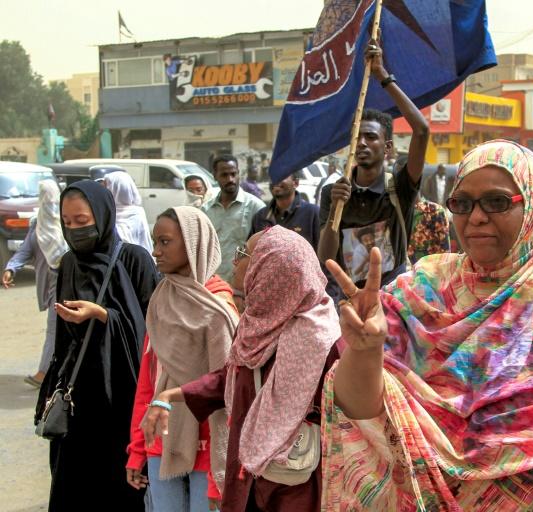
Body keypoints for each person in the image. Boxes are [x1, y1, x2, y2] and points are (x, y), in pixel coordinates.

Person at [322, 140, 533, 510]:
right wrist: (364, 351)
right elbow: (358, 412)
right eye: (462, 203)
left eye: (497, 202)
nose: (476, 217)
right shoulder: (420, 294)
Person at [142, 226, 341, 511]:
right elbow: (234, 377)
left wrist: (365, 352)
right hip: (248, 481)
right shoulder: (255, 326)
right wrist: (171, 395)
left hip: (295, 489)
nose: (235, 262)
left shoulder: (323, 340)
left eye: (243, 254)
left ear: (271, 268)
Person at [35, 181, 159, 511]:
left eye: (82, 220)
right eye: (67, 221)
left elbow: (154, 330)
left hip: (123, 398)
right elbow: (62, 338)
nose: (74, 229)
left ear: (102, 215)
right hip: (78, 397)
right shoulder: (69, 264)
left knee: (121, 489)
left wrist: (105, 316)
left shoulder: (135, 260)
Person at [126, 206, 238, 511]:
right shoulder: (161, 300)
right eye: (155, 242)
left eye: (165, 242)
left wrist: (220, 474)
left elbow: (225, 394)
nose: (155, 251)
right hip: (161, 440)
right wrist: (137, 449)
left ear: (193, 243)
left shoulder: (218, 308)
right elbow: (147, 384)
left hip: (208, 447)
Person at [317, 41, 429, 302]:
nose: (363, 143)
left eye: (371, 137)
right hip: (351, 300)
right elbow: (325, 257)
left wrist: (382, 76)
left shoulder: (399, 187)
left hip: (395, 302)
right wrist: (336, 207)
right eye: (358, 137)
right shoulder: (333, 193)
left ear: (387, 147)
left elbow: (422, 130)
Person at [2, 180, 68, 388]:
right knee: (54, 328)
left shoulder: (69, 221)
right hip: (52, 284)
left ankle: (46, 373)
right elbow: (24, 251)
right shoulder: (37, 224)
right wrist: (11, 268)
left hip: (73, 281)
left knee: (60, 328)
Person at [202, 155, 265, 283]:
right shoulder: (206, 210)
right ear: (215, 176)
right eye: (224, 175)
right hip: (214, 283)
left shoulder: (256, 207)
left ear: (238, 174)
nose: (230, 179)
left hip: (244, 284)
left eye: (233, 174)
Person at [249, 172, 320, 250]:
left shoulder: (312, 214)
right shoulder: (260, 216)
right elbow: (250, 252)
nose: (275, 181)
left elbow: (321, 253)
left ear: (296, 183)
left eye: (282, 176)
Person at [104, 171, 154, 253]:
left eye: (106, 186)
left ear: (117, 189)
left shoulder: (136, 213)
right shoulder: (107, 210)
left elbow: (128, 240)